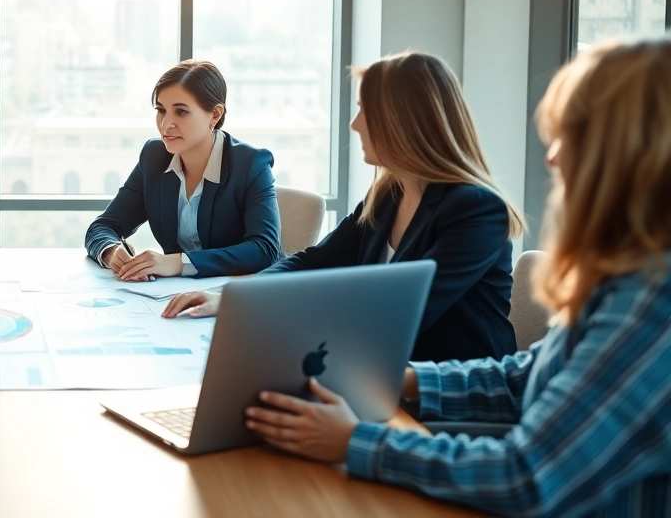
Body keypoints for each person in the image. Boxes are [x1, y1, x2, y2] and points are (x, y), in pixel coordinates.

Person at [238, 37, 671, 517]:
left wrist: (355, 441)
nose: (551, 158)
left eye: (572, 135)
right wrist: (399, 379)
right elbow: (521, 379)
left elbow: (525, 477)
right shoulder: (626, 280)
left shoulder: (651, 305)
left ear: (635, 152)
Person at [165, 51, 523, 363]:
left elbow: (398, 315)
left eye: (365, 111)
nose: (354, 125)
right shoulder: (389, 195)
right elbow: (316, 260)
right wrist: (233, 298)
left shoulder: (475, 210)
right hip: (377, 375)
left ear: (404, 122)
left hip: (449, 400)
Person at [85, 60, 282, 280]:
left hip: (241, 297)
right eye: (161, 110)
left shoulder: (250, 164)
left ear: (215, 115)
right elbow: (103, 226)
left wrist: (179, 262)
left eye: (181, 111)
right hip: (175, 296)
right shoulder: (154, 157)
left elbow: (264, 249)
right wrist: (112, 251)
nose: (166, 124)